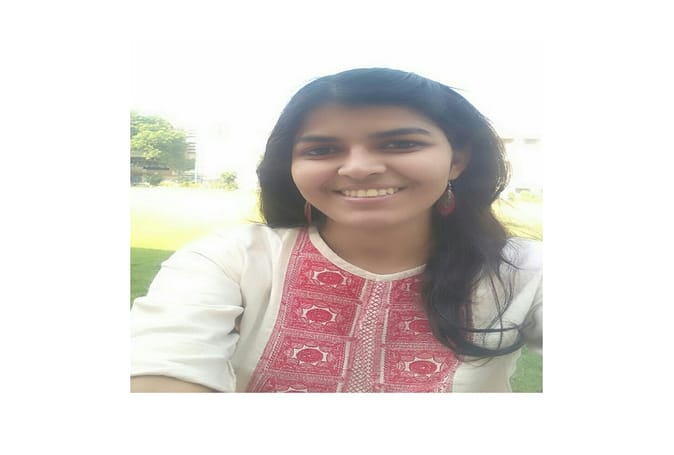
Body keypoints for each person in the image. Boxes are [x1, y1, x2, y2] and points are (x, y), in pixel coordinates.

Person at [130, 67, 542, 393]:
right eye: (322, 150)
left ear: (457, 161)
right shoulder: (231, 260)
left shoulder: (525, 271)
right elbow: (161, 367)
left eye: (400, 144)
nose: (359, 168)